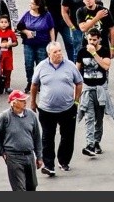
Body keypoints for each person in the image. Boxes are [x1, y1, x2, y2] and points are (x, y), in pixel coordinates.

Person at [29, 41, 84, 176]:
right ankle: (49, 165)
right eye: (55, 52)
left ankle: (63, 161)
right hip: (46, 109)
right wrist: (33, 102)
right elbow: (34, 85)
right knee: (47, 137)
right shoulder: (41, 66)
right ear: (49, 54)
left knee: (67, 136)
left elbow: (79, 82)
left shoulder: (70, 65)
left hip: (67, 108)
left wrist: (76, 101)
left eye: (60, 51)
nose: (59, 54)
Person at [0, 90, 44, 191]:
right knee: (19, 188)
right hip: (14, 157)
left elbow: (37, 137)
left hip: (29, 156)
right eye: (22, 100)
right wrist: (2, 152)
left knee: (32, 186)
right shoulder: (4, 117)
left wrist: (39, 157)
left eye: (25, 100)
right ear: (14, 102)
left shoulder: (31, 115)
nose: (25, 102)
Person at [75, 28, 114, 157]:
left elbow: (106, 66)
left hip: (100, 89)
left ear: (99, 39)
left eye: (94, 39)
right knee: (89, 117)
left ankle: (97, 142)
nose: (91, 42)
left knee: (99, 118)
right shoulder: (82, 51)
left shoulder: (103, 51)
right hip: (87, 89)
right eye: (90, 39)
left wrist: (94, 54)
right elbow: (77, 70)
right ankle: (89, 144)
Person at [18, 0, 56, 94]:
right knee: (29, 64)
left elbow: (51, 28)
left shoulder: (47, 15)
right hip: (28, 43)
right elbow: (19, 26)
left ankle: (39, 83)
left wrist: (53, 42)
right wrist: (26, 32)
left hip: (42, 43)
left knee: (41, 64)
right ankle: (30, 82)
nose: (30, 4)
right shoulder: (27, 14)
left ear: (38, 6)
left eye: (32, 3)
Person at [0, 15, 18, 93]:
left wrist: (10, 44)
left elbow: (15, 42)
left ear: (8, 23)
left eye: (5, 22)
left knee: (8, 71)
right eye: (1, 22)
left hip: (8, 56)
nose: (4, 24)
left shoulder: (11, 33)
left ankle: (7, 86)